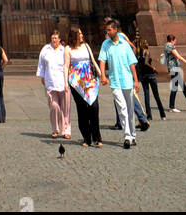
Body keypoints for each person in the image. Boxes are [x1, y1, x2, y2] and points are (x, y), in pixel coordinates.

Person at [99, 20, 143, 148]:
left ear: (116, 30)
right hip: (115, 81)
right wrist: (103, 75)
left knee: (129, 109)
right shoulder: (105, 44)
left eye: (109, 30)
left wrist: (136, 80)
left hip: (127, 80)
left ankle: (133, 135)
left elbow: (131, 64)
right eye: (106, 30)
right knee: (122, 108)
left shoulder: (125, 44)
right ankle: (127, 136)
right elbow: (102, 60)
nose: (107, 32)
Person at [64, 26, 102, 147]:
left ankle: (97, 137)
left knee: (94, 107)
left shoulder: (86, 46)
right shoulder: (68, 48)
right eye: (79, 34)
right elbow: (66, 66)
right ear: (74, 36)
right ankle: (87, 137)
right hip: (76, 82)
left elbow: (93, 60)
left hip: (89, 79)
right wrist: (65, 83)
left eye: (81, 33)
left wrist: (100, 73)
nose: (82, 36)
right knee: (82, 109)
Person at [37, 29, 71, 139]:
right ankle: (55, 129)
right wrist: (42, 76)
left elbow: (68, 65)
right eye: (52, 38)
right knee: (54, 106)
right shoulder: (46, 49)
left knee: (65, 108)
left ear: (59, 39)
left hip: (63, 82)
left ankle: (66, 130)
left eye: (56, 38)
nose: (54, 40)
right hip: (50, 82)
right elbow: (41, 64)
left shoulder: (63, 50)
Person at [163, 35, 186, 112]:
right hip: (174, 69)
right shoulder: (170, 46)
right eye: (175, 41)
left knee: (183, 88)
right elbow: (179, 57)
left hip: (173, 69)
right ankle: (172, 107)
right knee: (176, 88)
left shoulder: (166, 45)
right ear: (172, 40)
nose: (175, 42)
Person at [137, 36, 167, 121]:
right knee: (156, 95)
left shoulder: (140, 54)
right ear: (143, 44)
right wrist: (153, 68)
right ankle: (162, 114)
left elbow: (140, 65)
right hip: (150, 76)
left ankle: (149, 116)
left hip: (143, 76)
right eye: (146, 43)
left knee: (147, 96)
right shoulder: (147, 52)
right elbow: (146, 63)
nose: (147, 44)